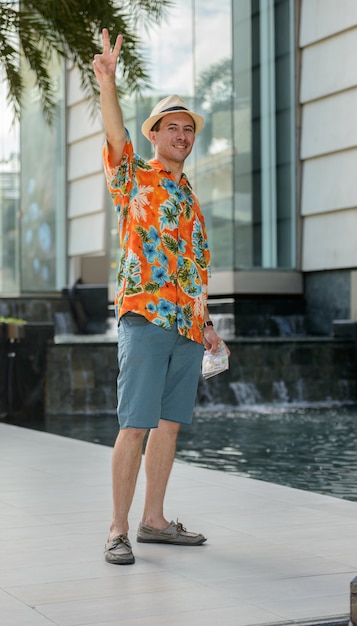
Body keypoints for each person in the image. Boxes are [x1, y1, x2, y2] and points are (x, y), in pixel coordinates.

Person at [93, 28, 228, 565]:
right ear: (154, 135)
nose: (182, 135)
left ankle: (154, 521)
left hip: (188, 326)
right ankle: (117, 529)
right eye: (172, 127)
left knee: (169, 425)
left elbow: (192, 266)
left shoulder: (189, 193)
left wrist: (208, 322)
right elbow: (114, 136)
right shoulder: (135, 177)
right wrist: (108, 81)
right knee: (135, 424)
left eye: (188, 129)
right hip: (144, 318)